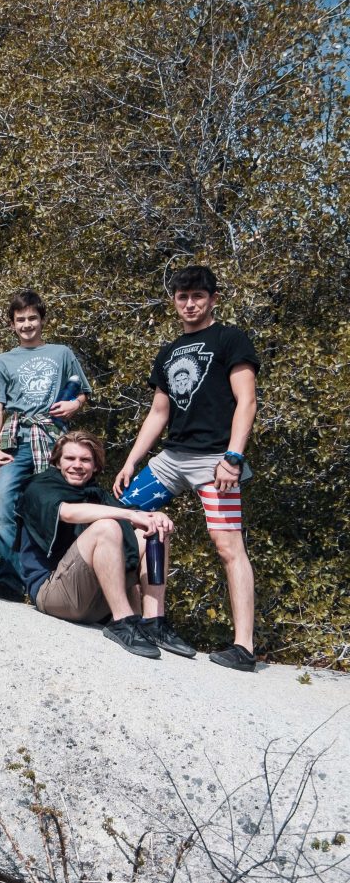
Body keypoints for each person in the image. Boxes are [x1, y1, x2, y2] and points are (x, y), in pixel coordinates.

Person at [114, 266, 260, 672]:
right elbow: (158, 413)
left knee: (228, 546)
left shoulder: (230, 339)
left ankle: (244, 647)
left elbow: (246, 401)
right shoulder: (169, 352)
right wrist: (131, 461)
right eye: (183, 297)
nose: (190, 304)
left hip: (215, 460)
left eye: (198, 296)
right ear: (174, 301)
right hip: (171, 459)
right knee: (122, 515)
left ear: (213, 299)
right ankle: (145, 617)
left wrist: (233, 457)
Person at [20, 431, 196, 658]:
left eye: (85, 460)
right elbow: (67, 512)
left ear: (95, 466)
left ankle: (153, 621)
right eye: (70, 458)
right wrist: (129, 515)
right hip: (53, 594)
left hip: (94, 600)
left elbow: (128, 515)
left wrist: (153, 517)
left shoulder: (97, 495)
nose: (77, 465)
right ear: (57, 462)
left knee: (154, 530)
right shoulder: (39, 486)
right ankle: (122, 621)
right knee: (107, 527)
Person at [0, 290, 92, 600]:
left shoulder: (61, 353)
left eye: (32, 318)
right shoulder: (4, 361)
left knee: (52, 505)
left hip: (53, 438)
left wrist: (75, 405)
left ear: (42, 320)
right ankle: (11, 579)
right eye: (20, 320)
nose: (27, 324)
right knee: (4, 501)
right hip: (16, 439)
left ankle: (52, 579)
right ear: (12, 324)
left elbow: (82, 391)